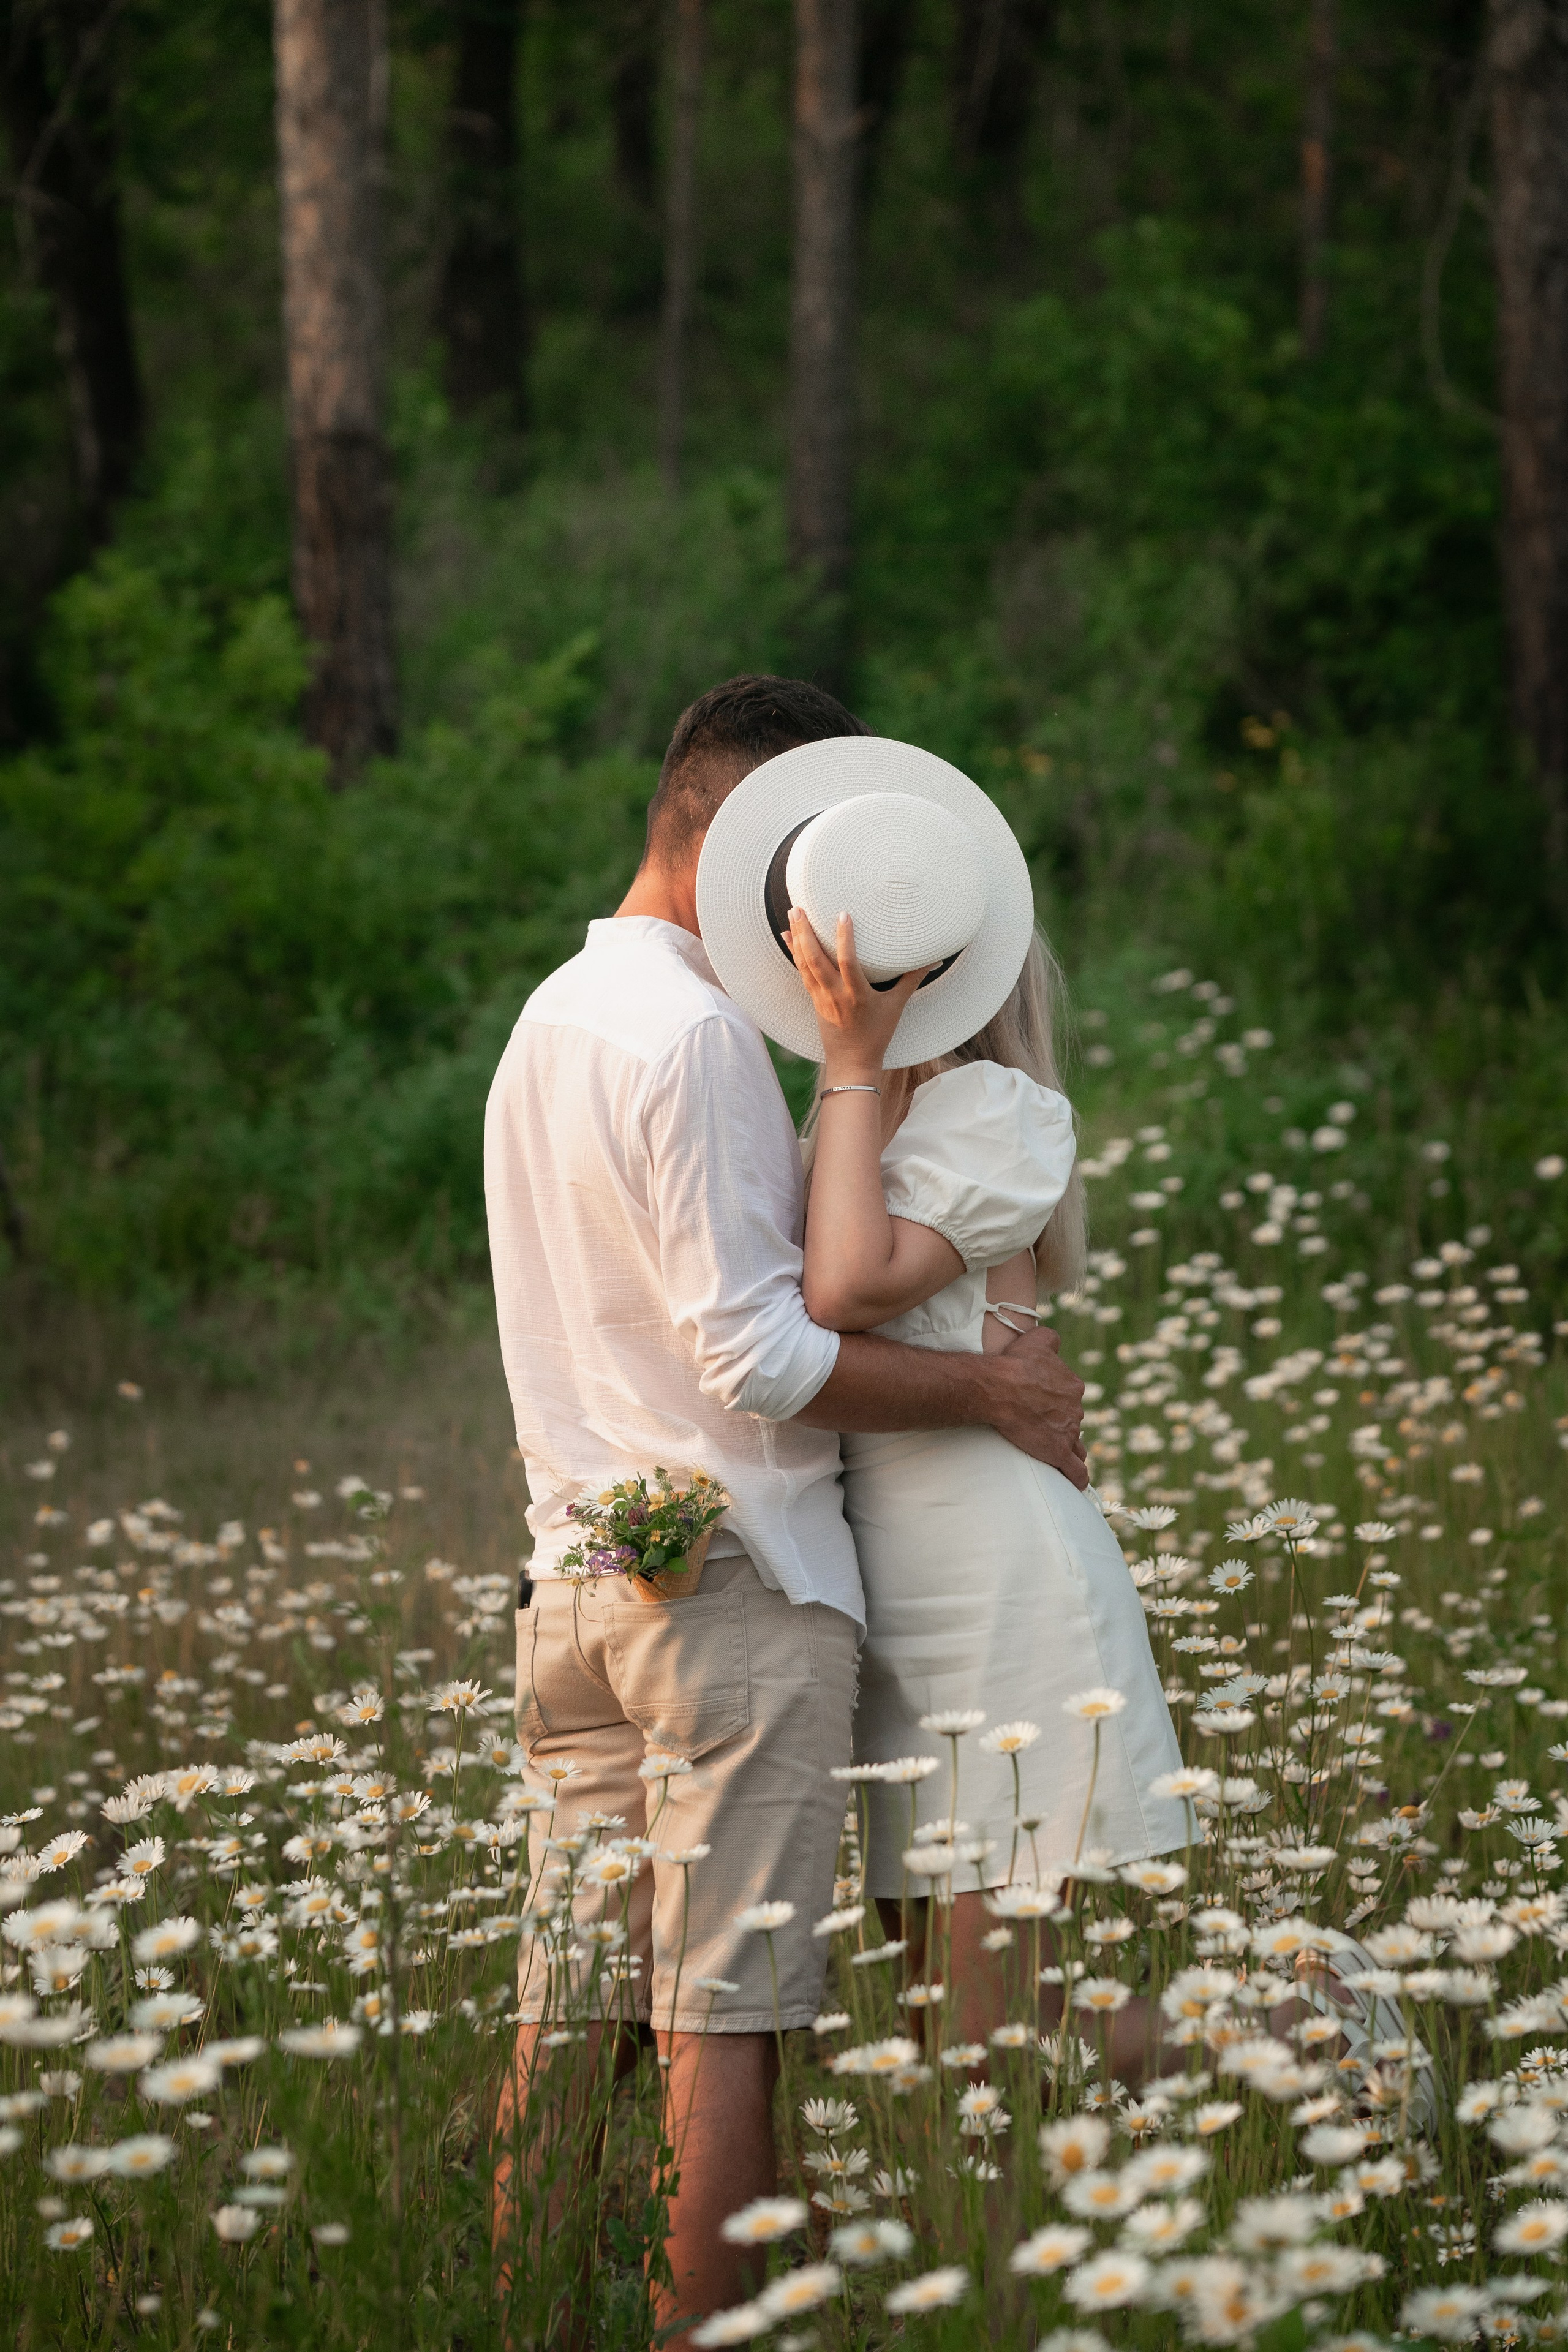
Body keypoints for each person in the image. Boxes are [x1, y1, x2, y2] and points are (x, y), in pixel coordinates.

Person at [483, 676, 1088, 2348]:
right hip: (731, 1593)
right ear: (745, 848)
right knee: (722, 2020)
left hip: (580, 1574)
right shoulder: (694, 1040)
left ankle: (521, 2307)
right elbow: (757, 1348)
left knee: (575, 2000)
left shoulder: (548, 1021)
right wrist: (991, 1391)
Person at [691, 730, 1188, 2072]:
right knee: (938, 2032)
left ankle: (1326, 2043)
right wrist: (844, 1082)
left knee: (991, 2027)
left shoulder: (991, 1109)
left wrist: (851, 1061)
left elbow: (847, 1288)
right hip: (900, 1605)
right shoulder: (845, 1121)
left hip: (1001, 1592)